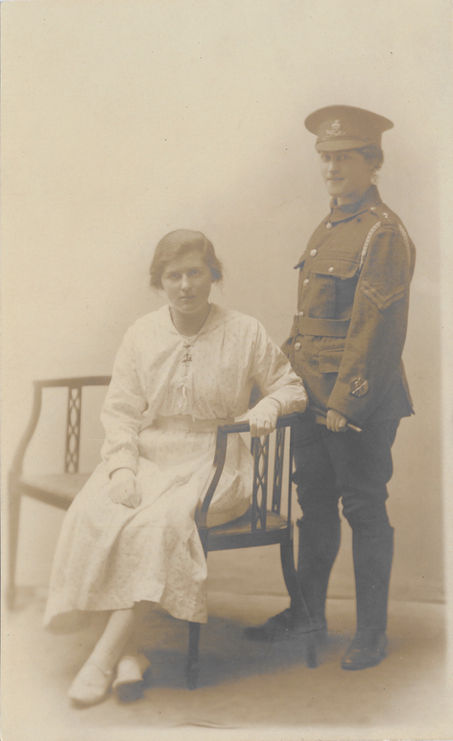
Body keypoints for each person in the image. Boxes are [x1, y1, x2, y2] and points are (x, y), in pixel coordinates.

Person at [44, 229, 308, 705]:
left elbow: (291, 387)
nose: (185, 285)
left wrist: (269, 406)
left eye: (195, 273)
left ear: (212, 275)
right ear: (159, 281)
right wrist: (123, 468)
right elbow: (121, 411)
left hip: (218, 461)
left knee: (159, 525)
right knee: (94, 512)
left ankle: (102, 658)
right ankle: (130, 656)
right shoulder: (141, 333)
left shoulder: (244, 331)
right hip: (152, 453)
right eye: (173, 276)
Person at [244, 105, 415, 670]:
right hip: (312, 392)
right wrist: (279, 383)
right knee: (313, 505)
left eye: (344, 157)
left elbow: (376, 330)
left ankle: (371, 634)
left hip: (357, 397)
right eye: (325, 157)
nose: (332, 168)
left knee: (363, 508)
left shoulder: (382, 233)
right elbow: (310, 324)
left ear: (372, 161)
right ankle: (308, 614)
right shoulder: (332, 225)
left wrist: (347, 402)